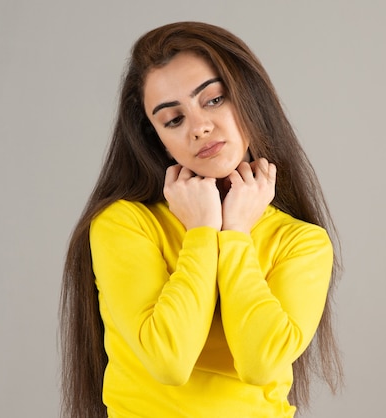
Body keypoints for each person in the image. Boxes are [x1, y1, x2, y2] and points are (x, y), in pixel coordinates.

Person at [60, 21, 342, 418]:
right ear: (156, 138)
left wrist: (236, 234)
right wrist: (202, 233)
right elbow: (169, 361)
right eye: (173, 120)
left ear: (248, 98)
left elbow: (261, 363)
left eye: (213, 100)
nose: (200, 127)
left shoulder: (301, 242)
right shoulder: (124, 224)